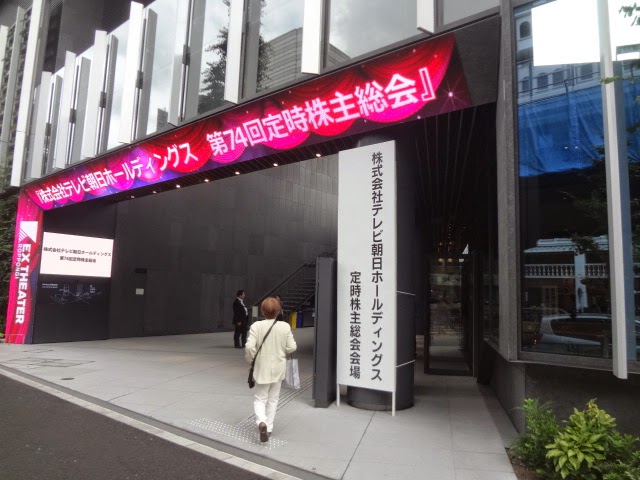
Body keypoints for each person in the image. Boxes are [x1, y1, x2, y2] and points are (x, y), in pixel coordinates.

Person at [245, 297, 297, 442]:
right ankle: (268, 428)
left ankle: (261, 421)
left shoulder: (256, 326)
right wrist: (282, 350)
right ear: (278, 311)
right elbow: (292, 347)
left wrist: (251, 359)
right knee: (273, 399)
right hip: (278, 368)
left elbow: (249, 347)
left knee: (260, 398)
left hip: (262, 367)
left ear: (262, 311)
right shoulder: (284, 327)